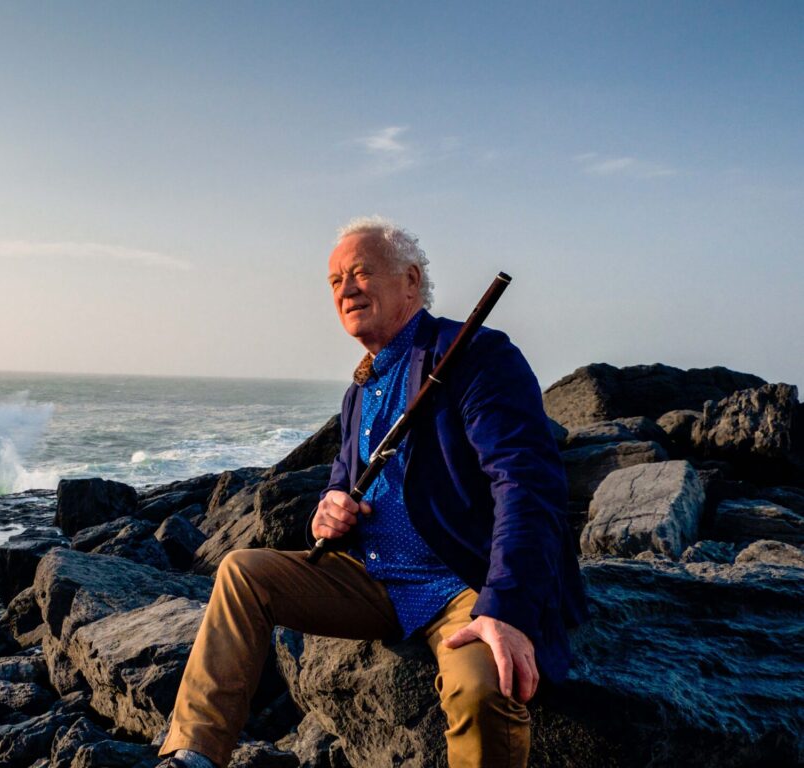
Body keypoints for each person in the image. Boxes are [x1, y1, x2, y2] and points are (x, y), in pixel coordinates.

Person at [157, 216, 588, 768]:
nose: (346, 288)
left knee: (482, 689)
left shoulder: (476, 354)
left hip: (464, 581)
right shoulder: (360, 388)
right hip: (378, 578)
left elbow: (527, 482)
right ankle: (192, 755)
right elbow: (343, 479)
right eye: (335, 280)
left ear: (411, 282)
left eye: (361, 272)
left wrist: (507, 607)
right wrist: (328, 513)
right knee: (243, 572)